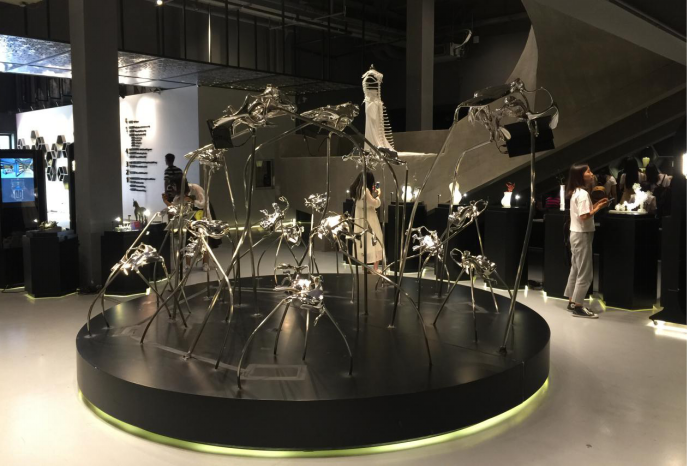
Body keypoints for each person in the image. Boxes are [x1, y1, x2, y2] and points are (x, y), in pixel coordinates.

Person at [565, 164, 609, 319]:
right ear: (581, 176)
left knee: (576, 269)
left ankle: (572, 301)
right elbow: (584, 216)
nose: (591, 174)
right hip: (582, 235)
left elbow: (583, 213)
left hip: (576, 234)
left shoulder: (576, 192)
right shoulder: (583, 194)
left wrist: (597, 205)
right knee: (585, 273)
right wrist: (597, 209)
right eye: (588, 171)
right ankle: (578, 306)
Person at [163, 180, 210, 272]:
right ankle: (188, 264)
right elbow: (175, 207)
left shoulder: (196, 188)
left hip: (201, 216)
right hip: (189, 219)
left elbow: (204, 204)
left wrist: (192, 200)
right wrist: (165, 201)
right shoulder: (179, 193)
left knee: (203, 240)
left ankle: (205, 263)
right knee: (189, 241)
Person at [350, 172, 385, 273]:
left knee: (363, 242)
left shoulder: (355, 189)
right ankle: (375, 268)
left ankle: (364, 267)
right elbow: (374, 203)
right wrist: (378, 196)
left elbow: (364, 203)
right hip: (369, 218)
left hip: (360, 219)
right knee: (376, 240)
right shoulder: (365, 190)